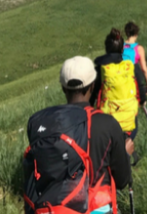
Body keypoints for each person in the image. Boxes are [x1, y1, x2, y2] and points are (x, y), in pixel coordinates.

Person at [23, 56, 132, 214]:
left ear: (63, 88)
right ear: (93, 86)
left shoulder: (48, 125)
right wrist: (126, 154)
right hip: (97, 209)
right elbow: (122, 180)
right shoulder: (107, 123)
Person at [92, 29, 147, 142]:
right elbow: (141, 90)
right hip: (129, 124)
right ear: (122, 49)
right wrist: (142, 101)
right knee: (125, 150)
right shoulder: (131, 67)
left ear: (106, 48)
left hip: (107, 123)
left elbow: (92, 96)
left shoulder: (100, 70)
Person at [122, 21, 147, 95]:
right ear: (136, 34)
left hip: (122, 76)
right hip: (134, 76)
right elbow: (144, 68)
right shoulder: (139, 48)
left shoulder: (121, 46)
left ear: (126, 33)